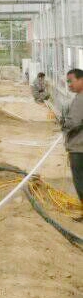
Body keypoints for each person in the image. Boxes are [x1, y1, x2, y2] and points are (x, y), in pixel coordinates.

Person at [62, 69, 83, 219]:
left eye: (71, 81)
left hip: (79, 147)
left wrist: (63, 125)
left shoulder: (80, 99)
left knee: (80, 180)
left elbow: (74, 121)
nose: (69, 85)